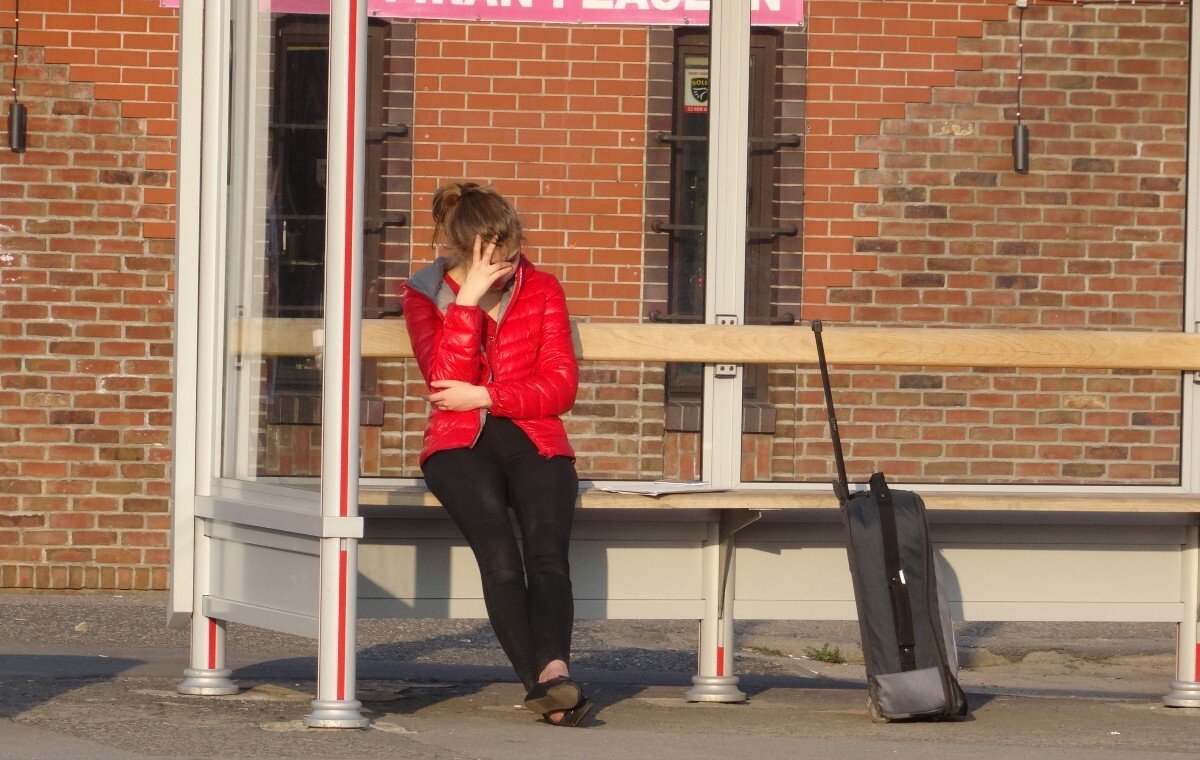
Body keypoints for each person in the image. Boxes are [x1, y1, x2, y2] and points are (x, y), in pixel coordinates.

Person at [401, 182, 590, 727]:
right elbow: (442, 382)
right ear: (465, 246)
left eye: (511, 245)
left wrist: (487, 395)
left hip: (534, 435)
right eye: (493, 249)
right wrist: (466, 302)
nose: (508, 258)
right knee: (501, 558)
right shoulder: (424, 294)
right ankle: (544, 688)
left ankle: (553, 673)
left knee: (548, 553)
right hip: (458, 443)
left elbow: (560, 387)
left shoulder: (543, 288)